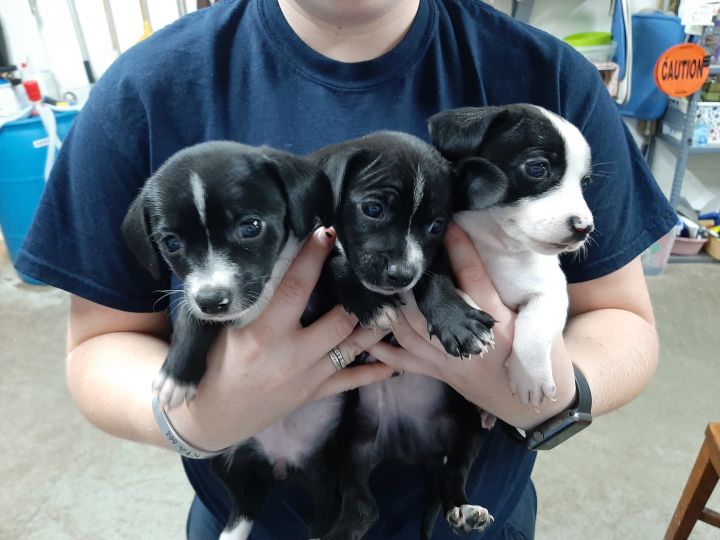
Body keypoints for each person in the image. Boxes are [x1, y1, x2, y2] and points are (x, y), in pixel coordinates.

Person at [15, 0, 677, 538]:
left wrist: (552, 394)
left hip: (478, 516)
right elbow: (100, 341)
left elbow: (621, 318)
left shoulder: (548, 77)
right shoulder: (145, 90)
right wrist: (196, 418)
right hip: (260, 515)